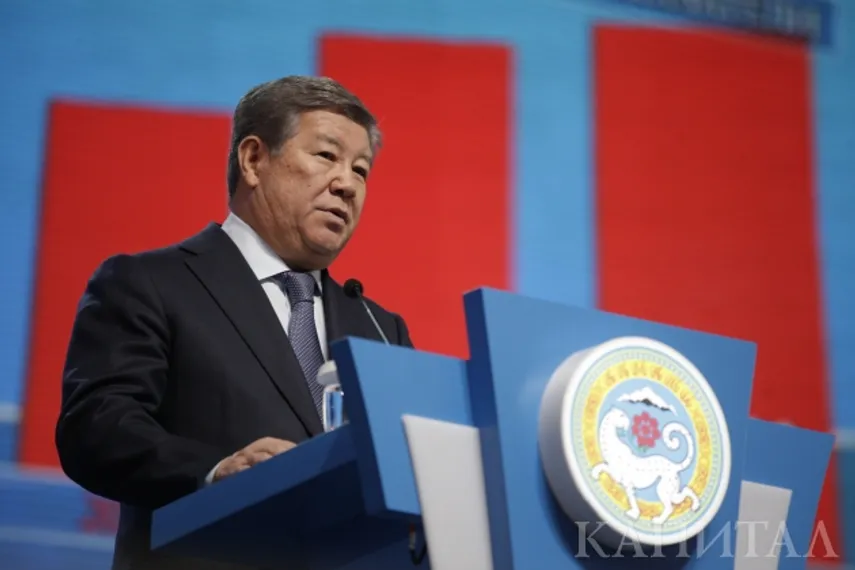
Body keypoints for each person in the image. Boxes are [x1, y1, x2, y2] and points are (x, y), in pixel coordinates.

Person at [55, 76, 413, 570]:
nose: (347, 184)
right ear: (253, 159)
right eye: (327, 156)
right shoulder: (151, 284)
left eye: (361, 170)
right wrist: (216, 471)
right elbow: (96, 428)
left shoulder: (381, 330)